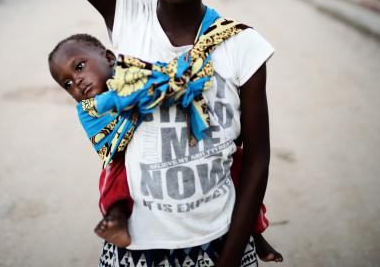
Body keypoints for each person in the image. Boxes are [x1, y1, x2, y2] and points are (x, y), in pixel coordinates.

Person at [38, 0, 275, 264]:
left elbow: (258, 158)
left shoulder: (242, 46)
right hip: (139, 251)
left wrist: (231, 256)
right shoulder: (129, 19)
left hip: (221, 243)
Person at [48, 32, 283, 262]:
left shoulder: (137, 70)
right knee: (112, 178)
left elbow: (164, 79)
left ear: (109, 58)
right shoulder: (90, 108)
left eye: (79, 67)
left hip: (185, 141)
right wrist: (146, 96)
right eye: (67, 83)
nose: (76, 81)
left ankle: (256, 232)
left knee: (237, 164)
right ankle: (117, 220)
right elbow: (113, 132)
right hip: (126, 158)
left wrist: (161, 86)